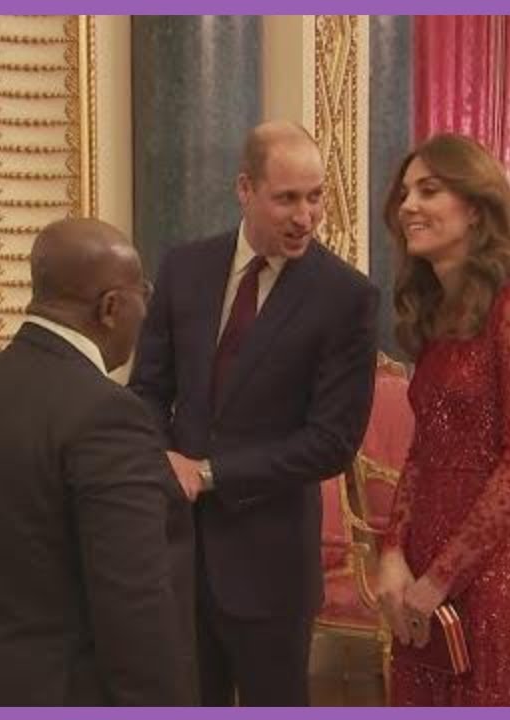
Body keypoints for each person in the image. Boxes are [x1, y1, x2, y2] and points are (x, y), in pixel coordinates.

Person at [129, 121, 379, 706]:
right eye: (287, 198)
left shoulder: (346, 298)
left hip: (271, 568)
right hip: (177, 555)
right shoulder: (184, 268)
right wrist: (163, 455)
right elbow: (146, 388)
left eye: (316, 196)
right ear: (245, 189)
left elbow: (332, 442)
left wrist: (209, 472)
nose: (306, 216)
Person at [0, 218, 196, 706]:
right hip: (70, 689)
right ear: (112, 307)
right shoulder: (107, 413)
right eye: (143, 293)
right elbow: (132, 603)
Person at [375, 133, 510, 706]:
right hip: (421, 573)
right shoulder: (437, 319)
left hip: (496, 573)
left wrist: (442, 576)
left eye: (429, 190)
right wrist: (393, 554)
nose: (408, 204)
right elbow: (422, 454)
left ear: (477, 208)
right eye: (405, 192)